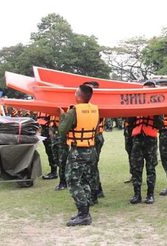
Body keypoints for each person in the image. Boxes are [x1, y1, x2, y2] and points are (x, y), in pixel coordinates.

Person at [58, 85, 99, 226]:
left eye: (75, 92)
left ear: (79, 96)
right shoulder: (95, 109)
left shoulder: (74, 111)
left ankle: (84, 214)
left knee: (72, 180)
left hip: (78, 152)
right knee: (83, 180)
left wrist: (62, 116)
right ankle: (86, 207)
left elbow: (62, 130)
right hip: (91, 150)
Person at [129, 81, 164, 204]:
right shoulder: (136, 104)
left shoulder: (158, 106)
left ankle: (150, 195)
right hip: (137, 138)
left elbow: (160, 124)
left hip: (150, 139)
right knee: (136, 168)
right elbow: (130, 122)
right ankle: (137, 195)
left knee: (150, 167)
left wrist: (154, 112)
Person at [37, 112, 58, 180]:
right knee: (49, 152)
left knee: (51, 152)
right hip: (45, 132)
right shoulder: (41, 110)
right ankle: (53, 171)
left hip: (50, 132)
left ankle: (54, 172)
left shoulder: (48, 110)